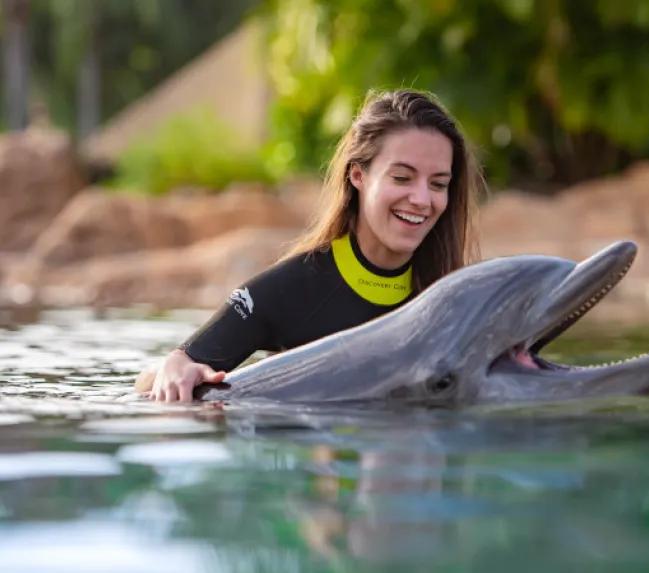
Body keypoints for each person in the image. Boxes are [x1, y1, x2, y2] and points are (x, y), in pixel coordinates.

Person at [135, 89, 485, 402]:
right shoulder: (295, 287)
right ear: (358, 176)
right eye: (402, 178)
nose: (422, 199)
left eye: (438, 184)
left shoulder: (454, 298)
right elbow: (159, 377)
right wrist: (172, 368)